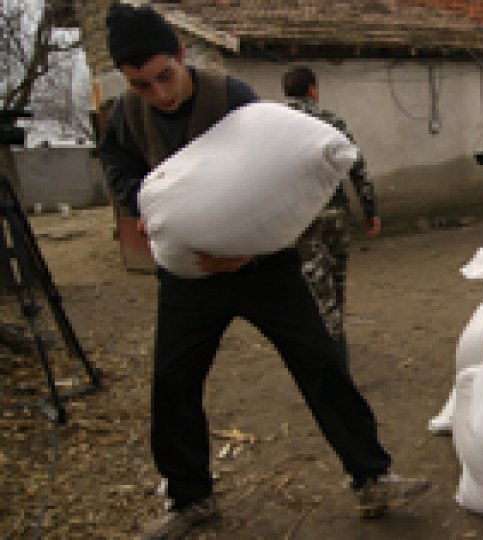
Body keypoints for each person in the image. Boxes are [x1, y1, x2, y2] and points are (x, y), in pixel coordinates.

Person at [97, 4, 428, 539]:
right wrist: (142, 207)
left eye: (165, 77)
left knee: (319, 362)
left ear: (181, 56)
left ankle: (371, 476)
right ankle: (190, 500)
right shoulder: (125, 118)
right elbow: (117, 168)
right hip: (189, 280)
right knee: (173, 383)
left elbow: (281, 178)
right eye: (142, 86)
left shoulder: (230, 99)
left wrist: (247, 248)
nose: (160, 94)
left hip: (262, 266)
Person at [282, 66, 380, 372]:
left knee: (316, 292)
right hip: (336, 218)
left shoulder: (278, 127)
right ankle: (337, 354)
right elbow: (357, 168)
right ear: (313, 89)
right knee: (336, 285)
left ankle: (332, 361)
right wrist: (370, 211)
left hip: (302, 220)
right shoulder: (332, 122)